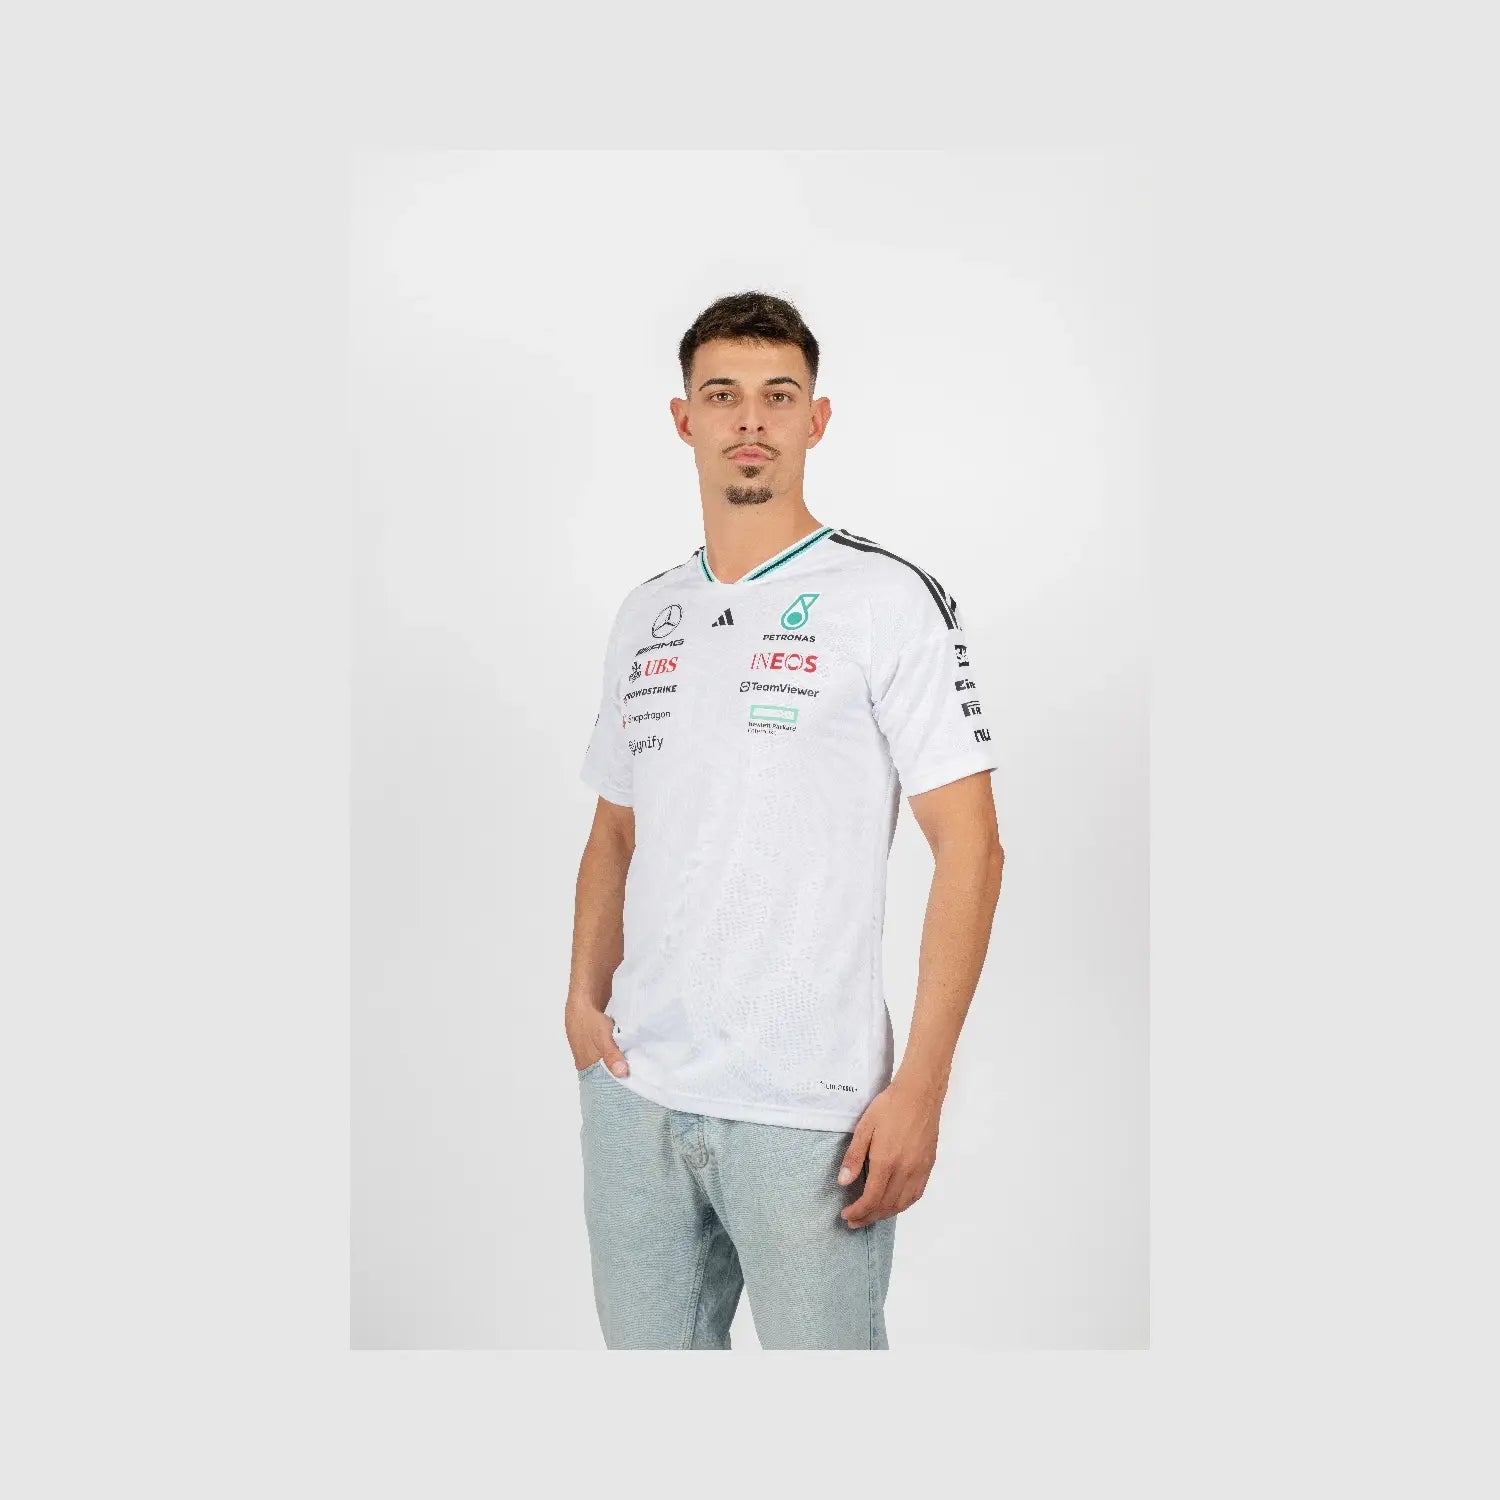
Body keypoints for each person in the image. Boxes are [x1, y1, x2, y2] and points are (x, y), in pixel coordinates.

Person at [565, 291, 1005, 1349]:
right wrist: (582, 1001)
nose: (751, 419)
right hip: (635, 1097)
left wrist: (922, 1088)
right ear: (685, 420)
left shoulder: (886, 599)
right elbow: (615, 830)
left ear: (817, 418)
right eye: (723, 395)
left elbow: (973, 849)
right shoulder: (648, 612)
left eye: (778, 394)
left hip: (810, 1111)